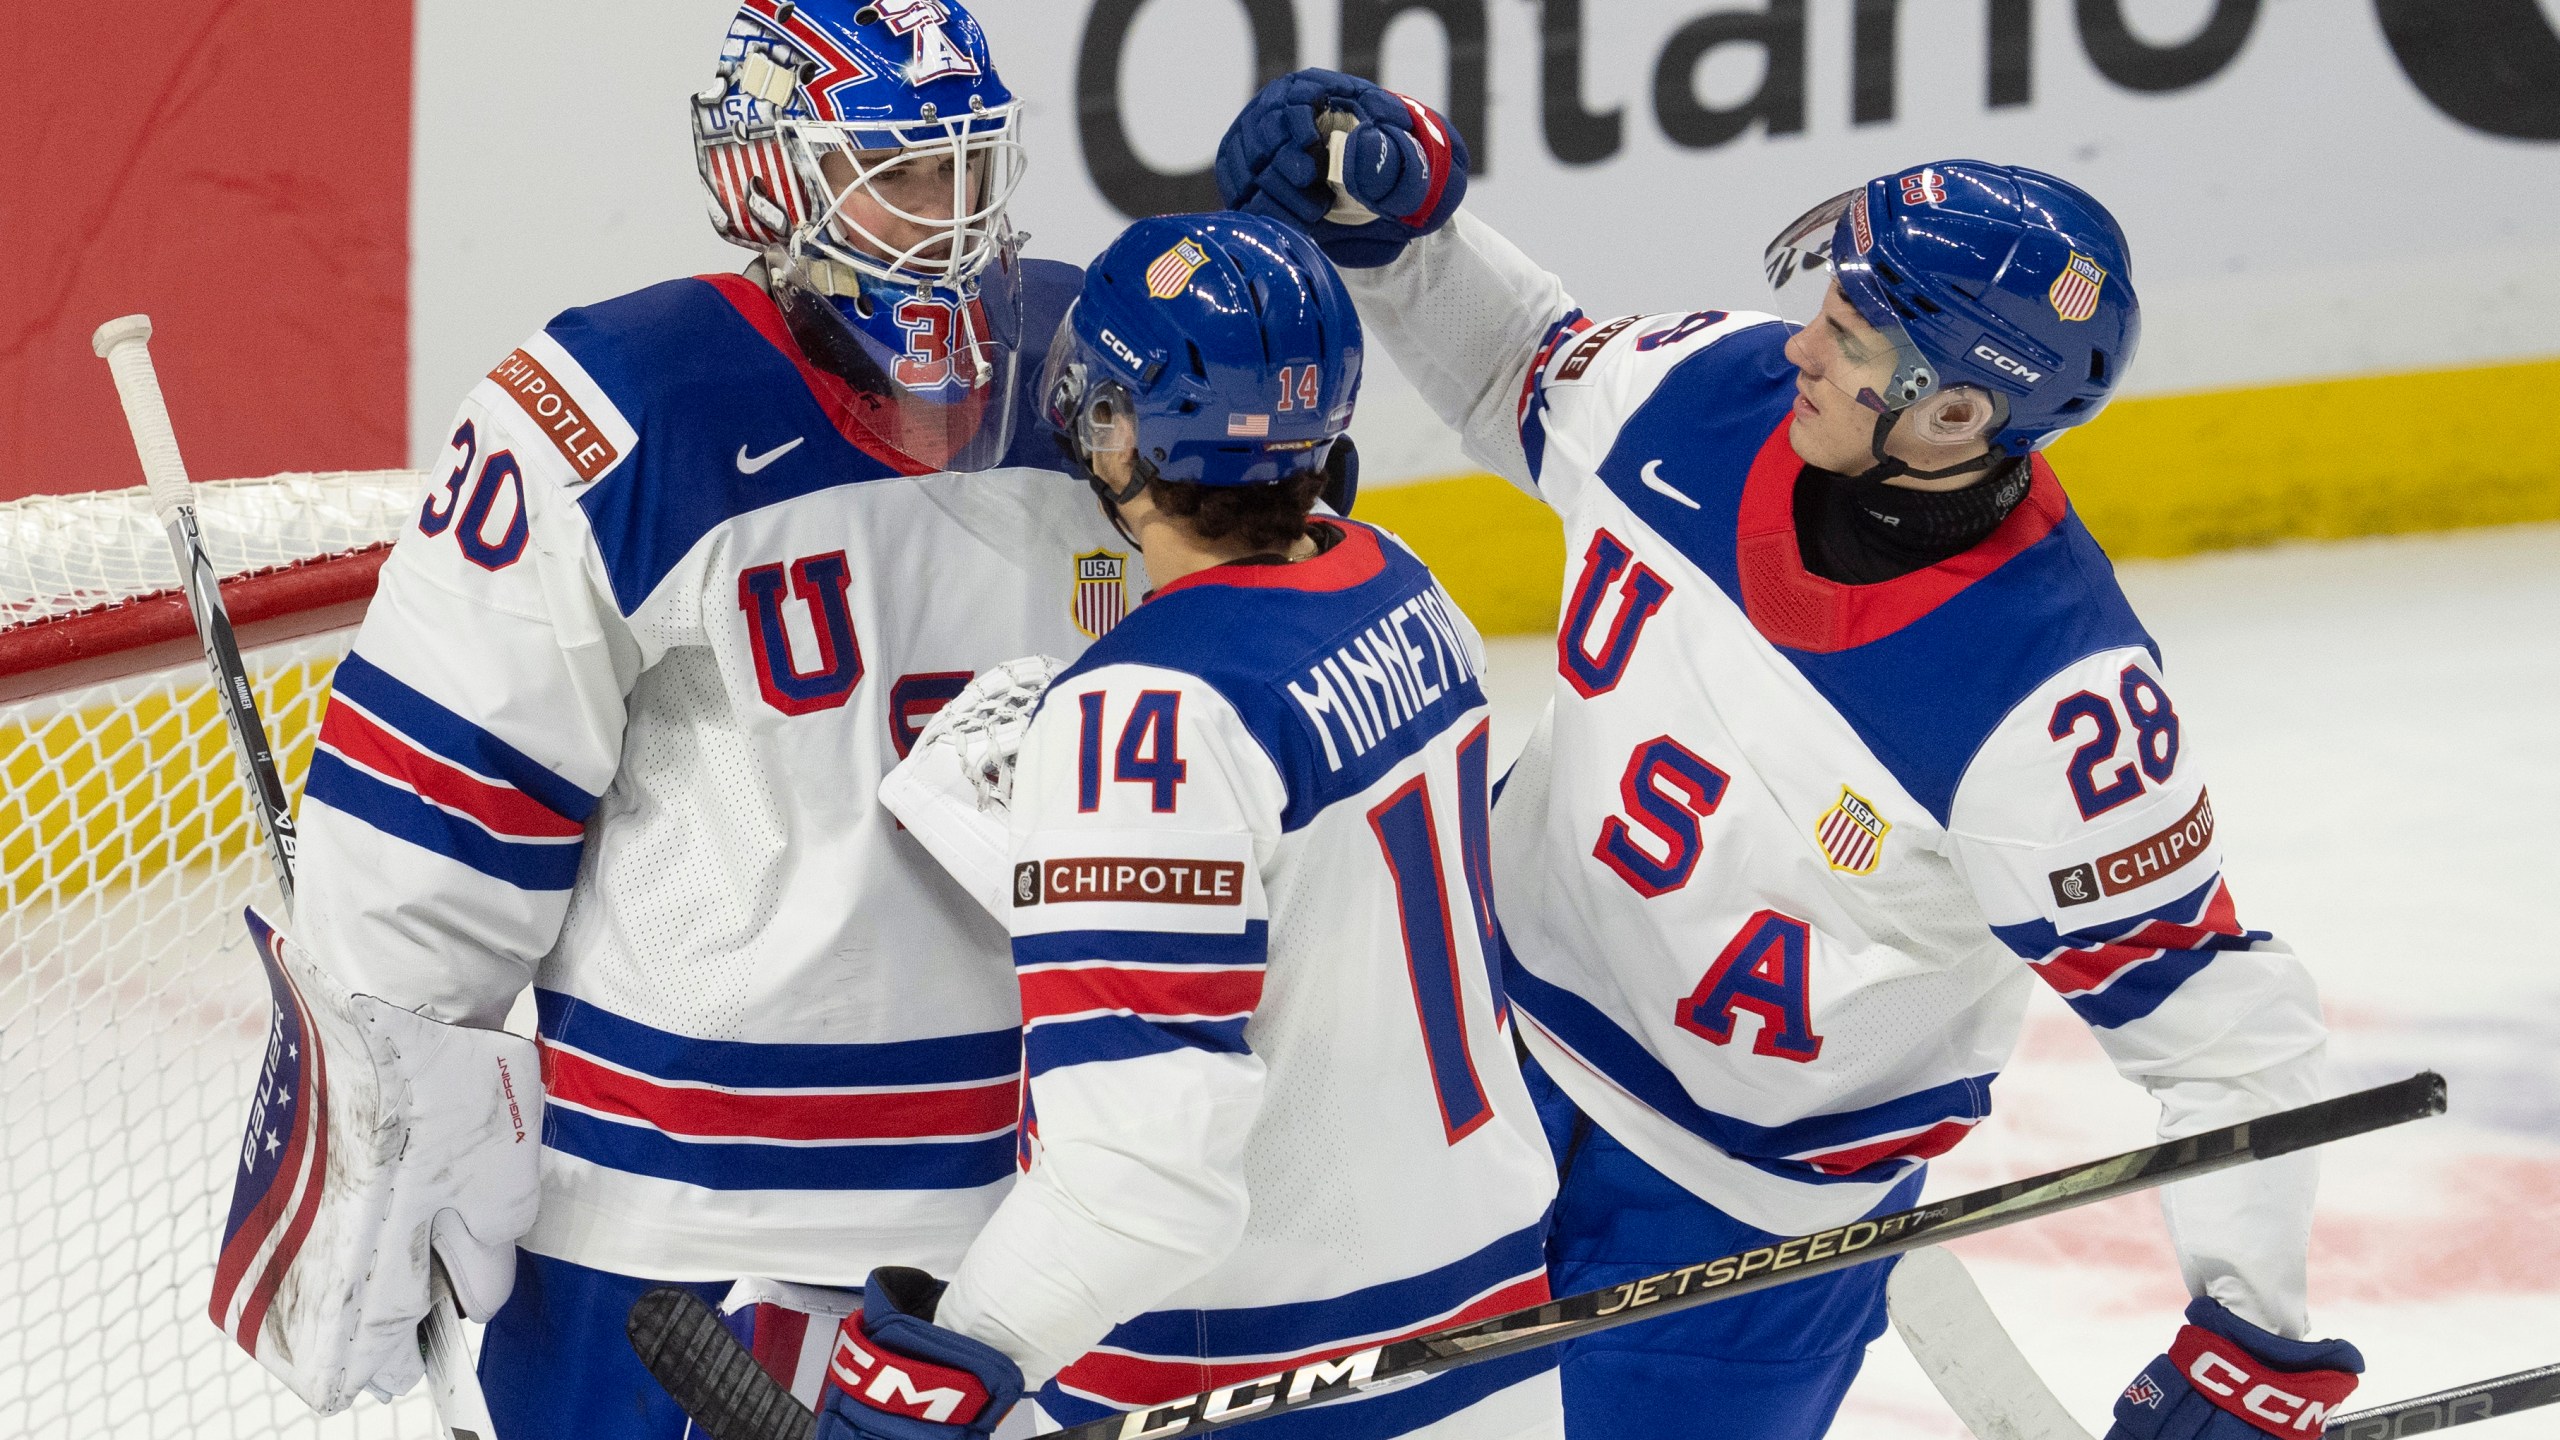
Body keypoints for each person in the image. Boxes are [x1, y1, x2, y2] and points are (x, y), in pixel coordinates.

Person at [1217, 73, 2365, 1440]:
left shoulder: (2049, 707)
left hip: (1741, 1216)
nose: (1805, 346)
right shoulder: (1702, 397)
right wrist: (1404, 236)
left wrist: (2253, 1333)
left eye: (1854, 332)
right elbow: (1520, 363)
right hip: (1471, 1065)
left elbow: (2225, 1032)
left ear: (1953, 417)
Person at [279, 3, 1127, 1435]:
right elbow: (441, 804)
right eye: (905, 171)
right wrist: (384, 1105)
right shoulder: (612, 407)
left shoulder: (1084, 368)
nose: (955, 215)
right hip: (676, 1242)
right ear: (768, 178)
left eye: (972, 166)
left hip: (1022, 1235)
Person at [830, 212, 1564, 1440]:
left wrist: (947, 1368)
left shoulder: (1147, 716)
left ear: (1111, 425)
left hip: (1263, 1377)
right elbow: (1319, 910)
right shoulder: (1400, 582)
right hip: (1491, 1336)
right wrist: (1050, 862)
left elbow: (1143, 1185)